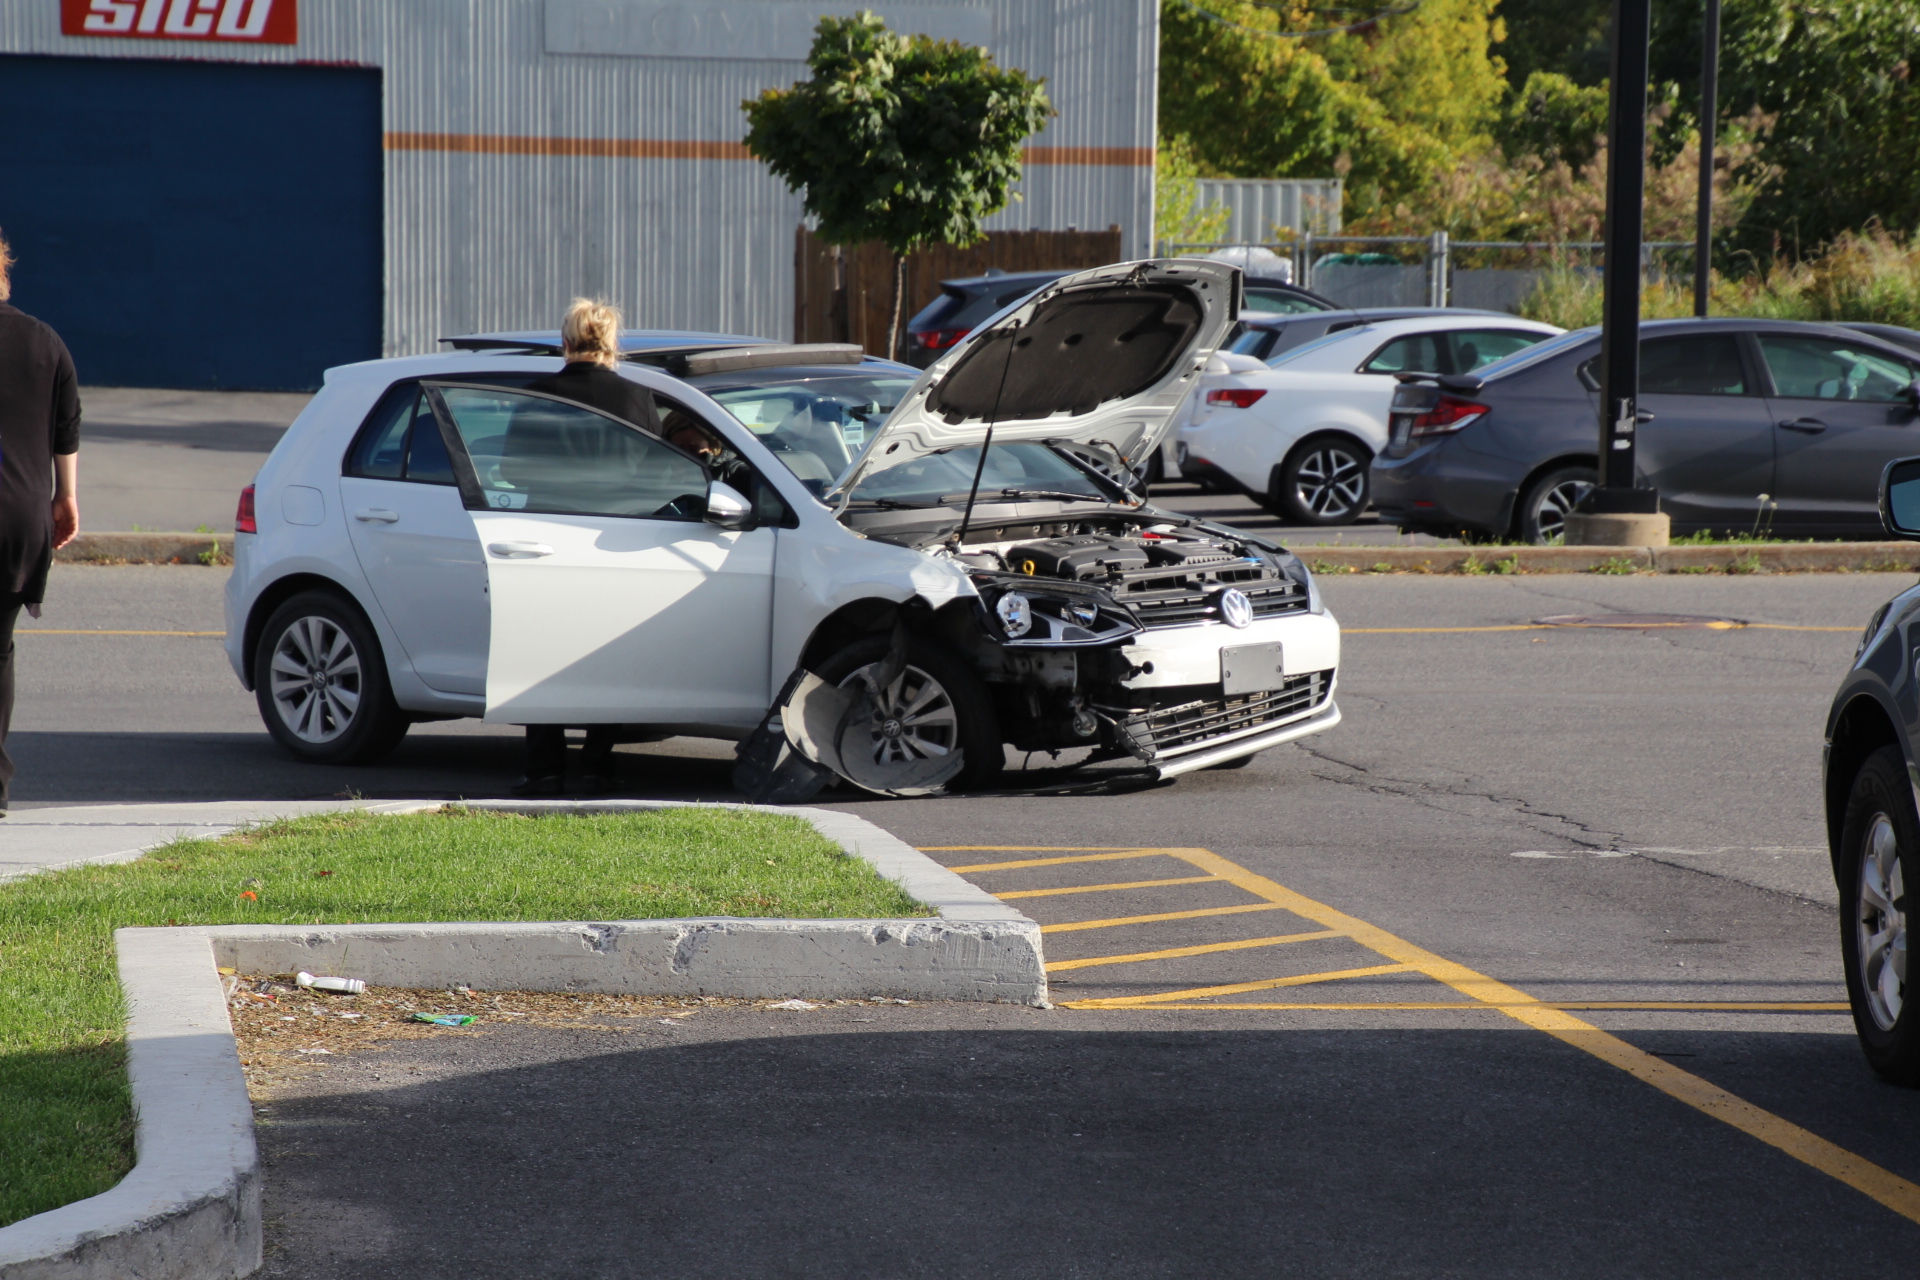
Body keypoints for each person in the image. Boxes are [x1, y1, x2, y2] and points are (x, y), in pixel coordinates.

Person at [510, 298, 655, 796]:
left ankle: (544, 768)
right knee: (608, 653)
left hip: (545, 542)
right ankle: (596, 763)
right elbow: (654, 475)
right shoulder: (638, 398)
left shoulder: (536, 397)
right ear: (613, 345)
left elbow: (509, 471)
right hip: (618, 542)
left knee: (540, 654)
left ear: (565, 343)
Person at [0, 229, 81, 816]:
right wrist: (66, 498)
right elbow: (66, 426)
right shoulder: (44, 342)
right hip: (21, 520)